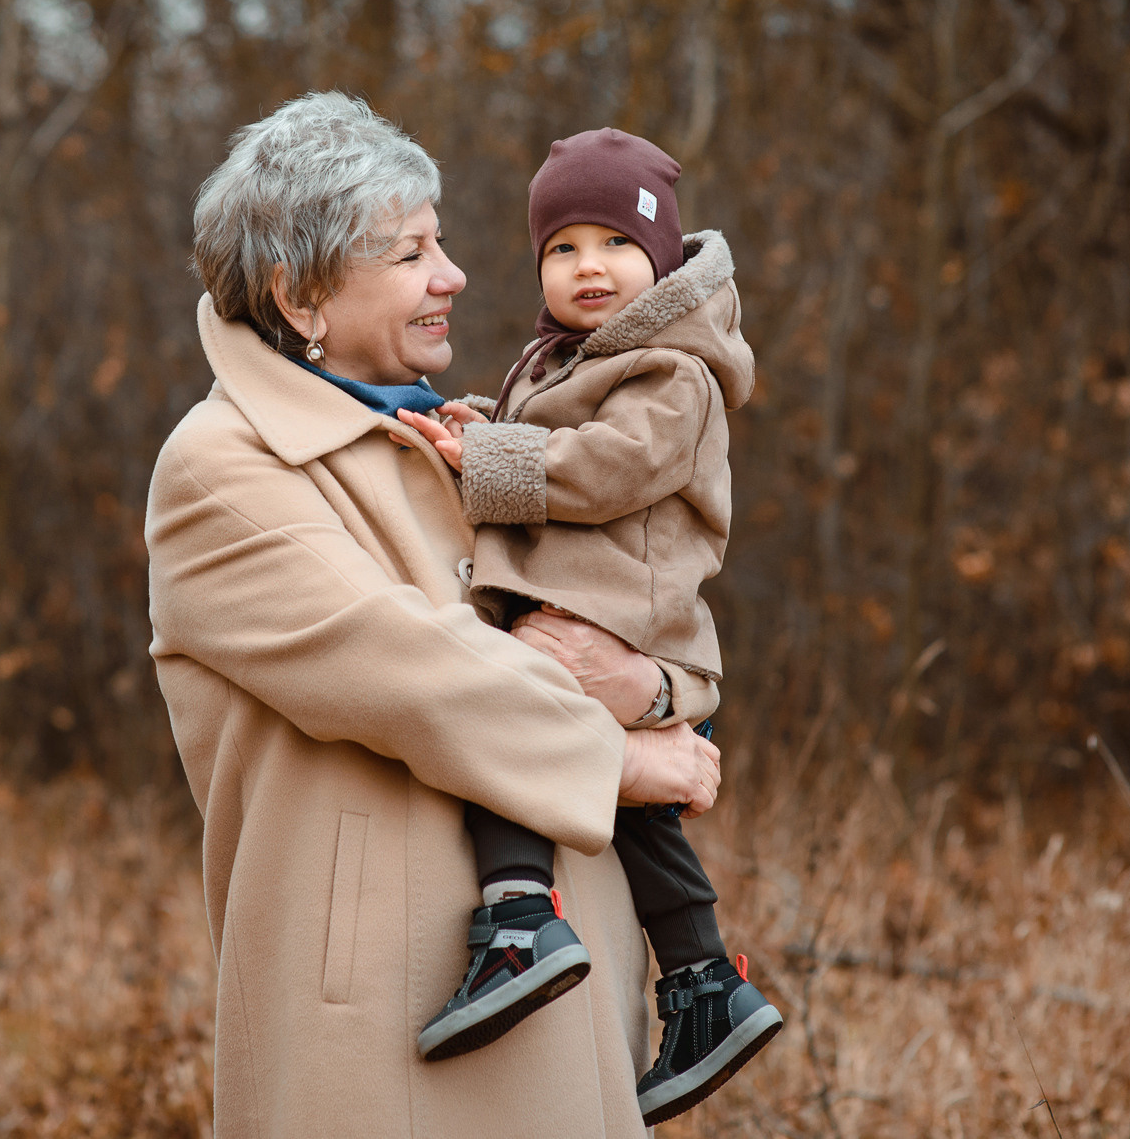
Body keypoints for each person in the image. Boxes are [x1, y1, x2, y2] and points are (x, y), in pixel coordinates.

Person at [145, 92, 724, 1138]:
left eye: (442, 242)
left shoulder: (467, 445)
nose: (454, 275)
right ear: (301, 293)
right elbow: (414, 669)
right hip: (378, 1020)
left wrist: (665, 687)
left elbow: (636, 601)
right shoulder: (221, 466)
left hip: (563, 985)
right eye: (412, 253)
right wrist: (620, 757)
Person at [396, 128, 781, 1126]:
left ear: (658, 254)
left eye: (610, 242)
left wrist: (490, 465)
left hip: (620, 613)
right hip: (591, 604)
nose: (586, 266)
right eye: (560, 248)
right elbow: (551, 447)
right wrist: (481, 434)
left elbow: (605, 468)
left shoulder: (675, 372)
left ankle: (517, 914)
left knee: (508, 705)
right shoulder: (566, 359)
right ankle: (702, 983)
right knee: (639, 816)